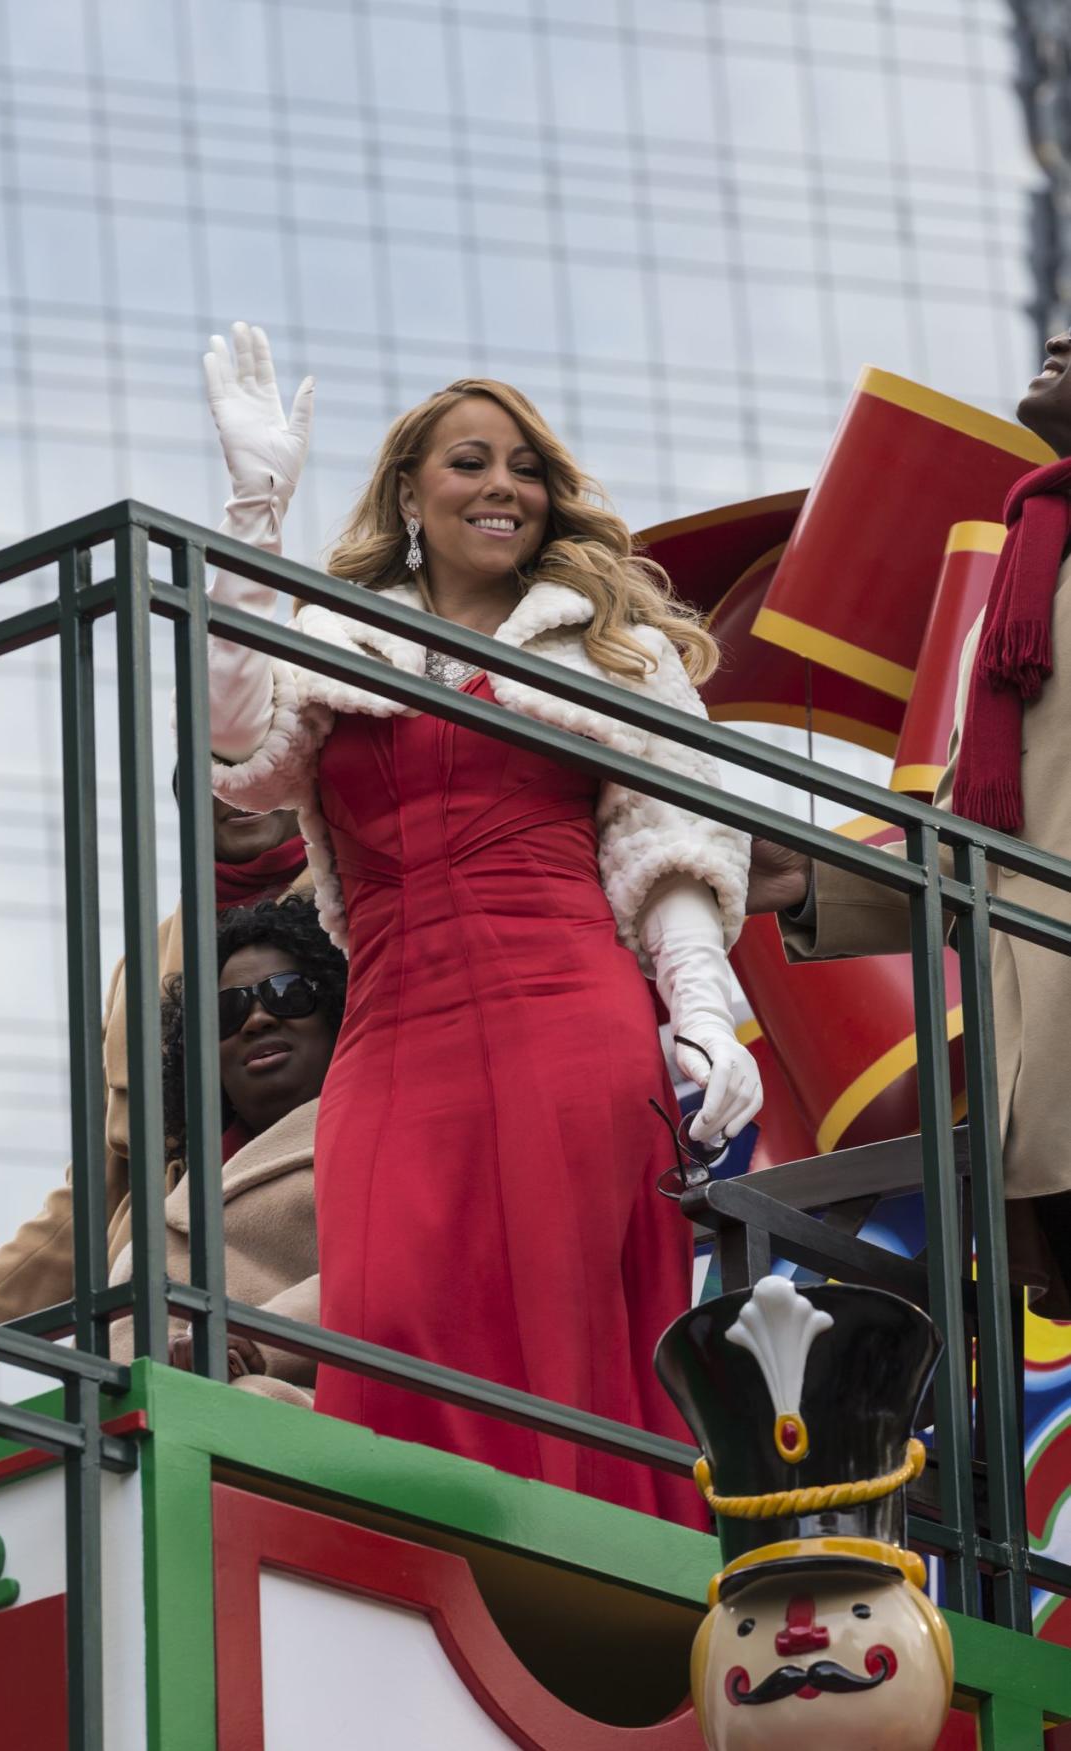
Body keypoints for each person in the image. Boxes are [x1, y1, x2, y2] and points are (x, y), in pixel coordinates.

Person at [197, 321, 761, 1517]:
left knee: (558, 1325)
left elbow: (673, 846)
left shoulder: (614, 650)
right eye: (468, 460)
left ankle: (584, 1610)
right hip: (395, 1034)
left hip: (571, 1017)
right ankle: (420, 1586)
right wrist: (254, 517)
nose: (501, 485)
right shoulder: (333, 636)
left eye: (525, 466)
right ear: (410, 489)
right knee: (394, 1310)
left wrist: (703, 1006)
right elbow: (235, 746)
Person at [747, 326, 1071, 1317]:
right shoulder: (1021, 581)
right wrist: (807, 879)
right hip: (1042, 1091)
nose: (1057, 335)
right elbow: (986, 856)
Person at [0, 798, 310, 1431]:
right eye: (215, 765)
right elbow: (95, 1197)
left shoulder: (373, 905)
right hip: (152, 1320)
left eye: (261, 758)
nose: (236, 790)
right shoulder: (146, 964)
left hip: (309, 1283)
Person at [110, 898, 346, 1407]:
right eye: (226, 1011)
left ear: (336, 1010)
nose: (257, 1019)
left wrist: (251, 1343)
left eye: (286, 993)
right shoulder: (175, 1202)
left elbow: (390, 1275)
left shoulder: (388, 1140)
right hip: (188, 1447)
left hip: (338, 1438)